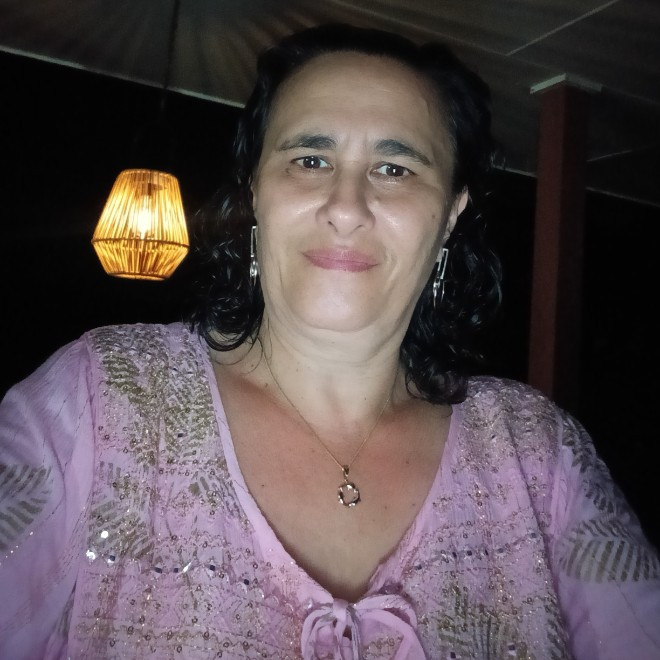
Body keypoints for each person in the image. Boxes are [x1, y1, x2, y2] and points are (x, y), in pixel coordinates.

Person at [0, 23, 659, 660]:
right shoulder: (95, 402)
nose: (346, 206)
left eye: (395, 169)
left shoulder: (539, 457)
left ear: (450, 215)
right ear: (256, 190)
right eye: (310, 160)